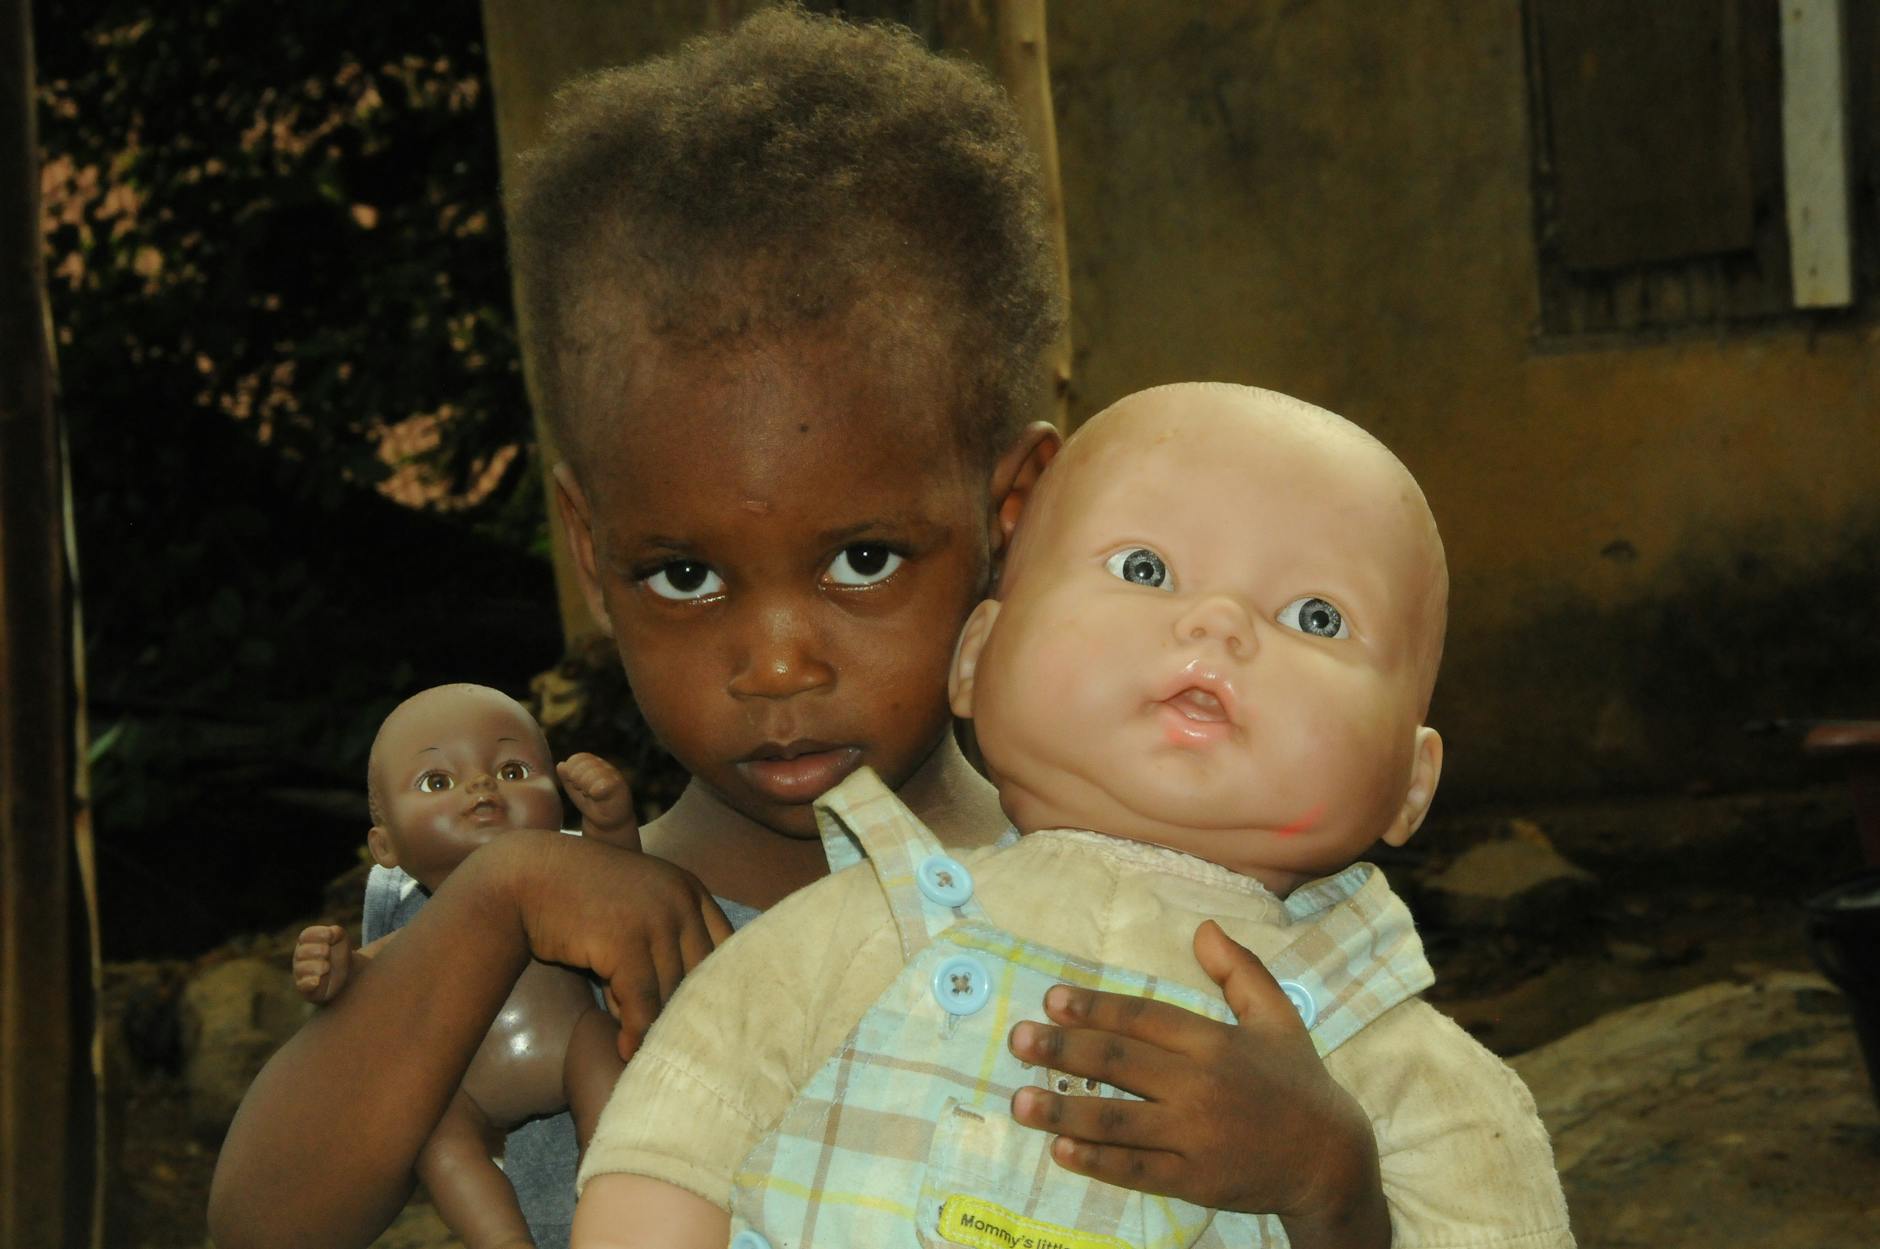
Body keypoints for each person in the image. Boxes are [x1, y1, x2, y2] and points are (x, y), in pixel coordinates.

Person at [206, 13, 1392, 1249]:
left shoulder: (1174, 924)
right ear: (589, 550)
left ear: (1012, 516)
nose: (774, 662)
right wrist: (498, 898)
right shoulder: (579, 940)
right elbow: (259, 1225)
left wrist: (1330, 1188)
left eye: (861, 559)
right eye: (681, 576)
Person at [570, 384, 1576, 1249]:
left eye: (1315, 616)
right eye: (1145, 569)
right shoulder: (868, 929)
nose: (1215, 624)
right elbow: (679, 1131)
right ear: (977, 659)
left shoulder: (1394, 1066)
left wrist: (1331, 1188)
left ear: (1410, 781)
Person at [290, 684, 637, 1249]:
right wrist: (334, 973)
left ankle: (621, 1197)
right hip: (466, 1087)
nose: (482, 787)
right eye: (437, 782)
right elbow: (367, 989)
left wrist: (611, 821)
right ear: (385, 848)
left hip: (571, 1042)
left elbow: (625, 890)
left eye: (513, 769)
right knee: (434, 1137)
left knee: (608, 1053)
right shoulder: (419, 933)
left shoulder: (568, 878)